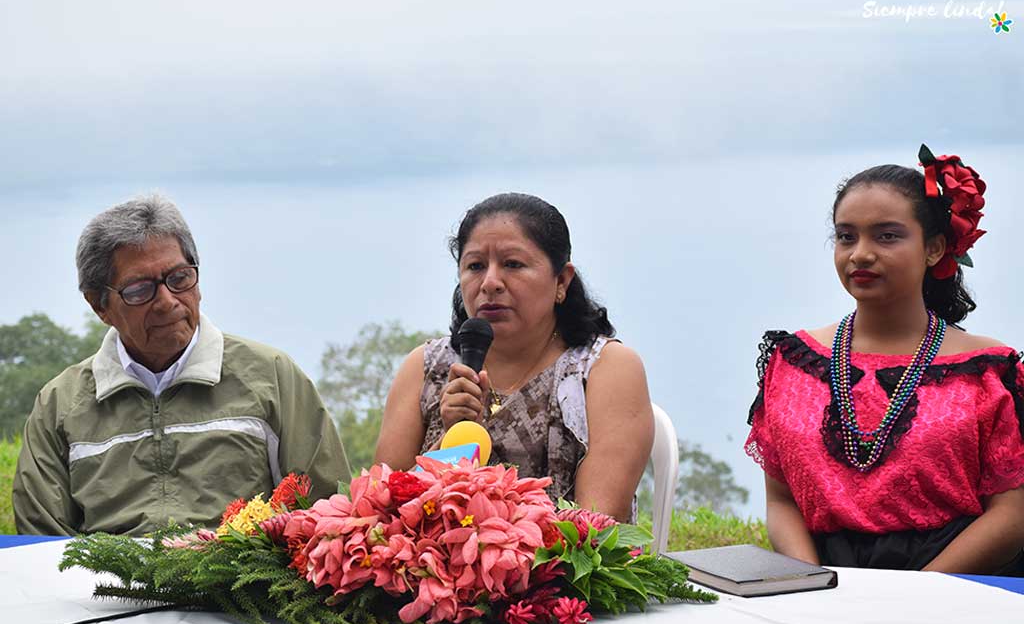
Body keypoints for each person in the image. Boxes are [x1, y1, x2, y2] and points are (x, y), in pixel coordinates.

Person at [745, 146, 1024, 574]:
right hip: (824, 587)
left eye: (887, 235)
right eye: (846, 236)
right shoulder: (795, 362)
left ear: (934, 248)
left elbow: (1011, 515)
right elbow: (783, 501)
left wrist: (916, 595)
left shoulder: (989, 372)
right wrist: (815, 585)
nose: (860, 253)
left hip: (959, 585)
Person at [13, 194, 350, 536]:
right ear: (99, 305)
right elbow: (43, 543)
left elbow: (326, 513)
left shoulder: (271, 376)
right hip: (99, 588)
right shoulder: (60, 405)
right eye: (140, 289)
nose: (167, 301)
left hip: (242, 585)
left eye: (179, 278)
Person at [375, 193, 653, 522]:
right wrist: (451, 442)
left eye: (513, 264)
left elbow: (597, 524)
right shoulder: (426, 368)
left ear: (561, 281)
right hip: (431, 569)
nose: (490, 283)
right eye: (475, 266)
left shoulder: (605, 369)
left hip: (562, 568)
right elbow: (381, 511)